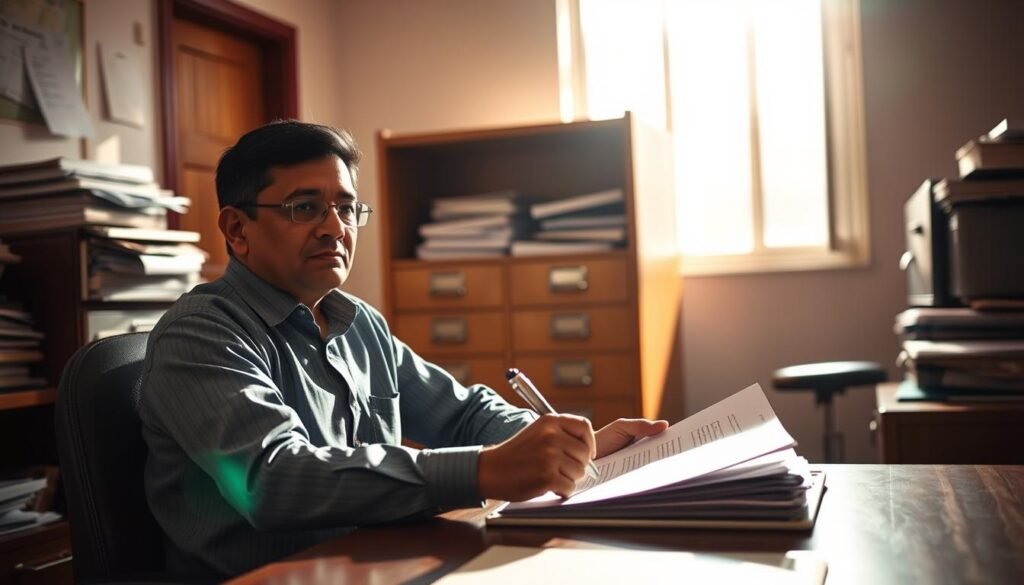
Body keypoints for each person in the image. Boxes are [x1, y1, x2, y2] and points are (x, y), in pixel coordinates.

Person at [139, 120, 668, 580]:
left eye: (347, 209)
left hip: (372, 564)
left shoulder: (357, 322)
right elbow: (272, 479)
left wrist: (567, 447)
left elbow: (461, 415)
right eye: (306, 208)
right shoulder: (201, 333)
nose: (335, 229)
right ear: (237, 229)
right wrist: (482, 471)